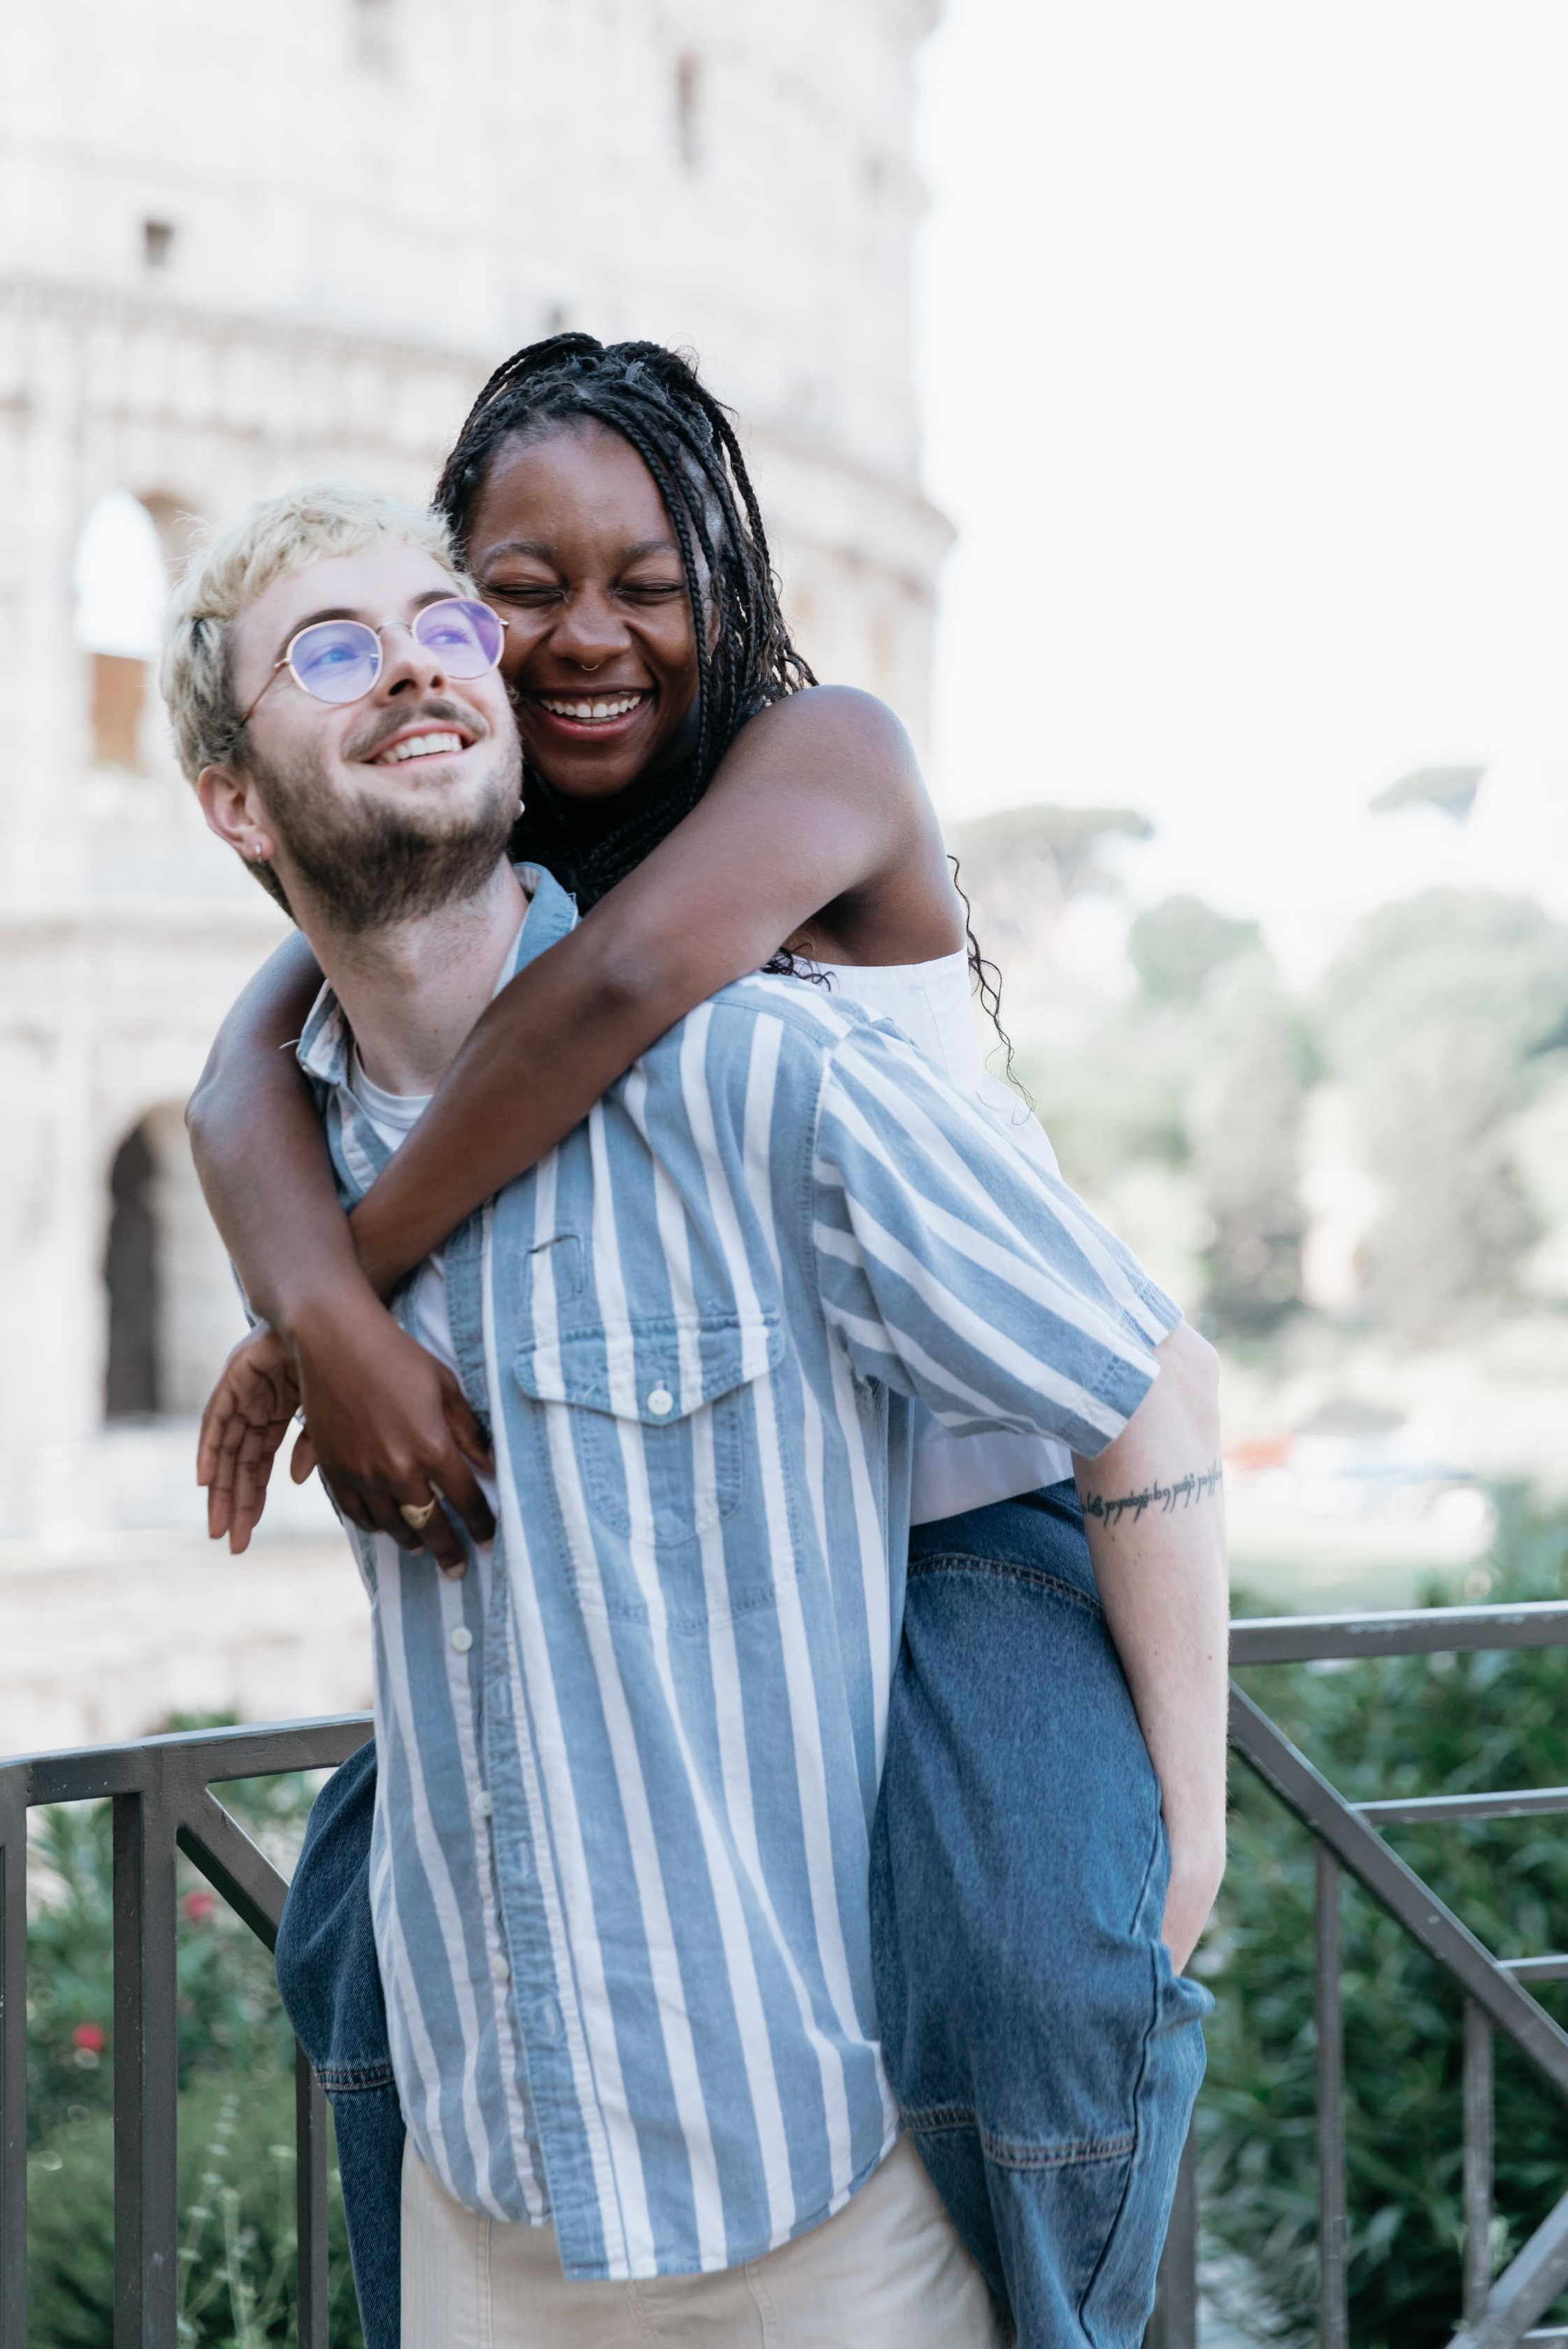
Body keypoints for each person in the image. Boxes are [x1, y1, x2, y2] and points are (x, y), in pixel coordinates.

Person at [186, 342, 1224, 2345]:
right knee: (349, 1930)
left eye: (645, 584)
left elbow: (623, 998)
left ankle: (1074, 2307)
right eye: (519, 586)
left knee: (1040, 1962)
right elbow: (255, 1047)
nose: (587, 636)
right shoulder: (500, 866)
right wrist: (307, 1291)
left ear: (721, 589)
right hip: (726, 1541)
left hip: (976, 1517)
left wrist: (324, 1302)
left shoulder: (813, 764)